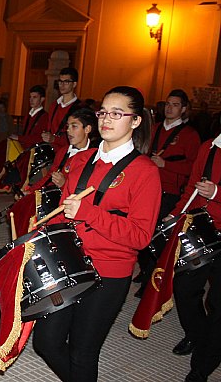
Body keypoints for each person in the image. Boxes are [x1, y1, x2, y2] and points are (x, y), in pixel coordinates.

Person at [32, 86, 161, 382]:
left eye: (117, 114)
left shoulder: (145, 171)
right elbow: (63, 215)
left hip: (108, 274)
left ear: (136, 120)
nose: (106, 119)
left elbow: (141, 236)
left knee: (82, 352)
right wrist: (40, 240)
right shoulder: (80, 160)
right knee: (46, 343)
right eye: (104, 112)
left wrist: (88, 213)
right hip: (69, 265)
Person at [134, 89, 200, 297]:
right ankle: (145, 269)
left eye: (175, 105)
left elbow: (193, 168)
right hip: (146, 188)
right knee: (140, 232)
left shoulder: (190, 135)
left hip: (169, 192)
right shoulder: (153, 128)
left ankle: (149, 282)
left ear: (184, 108)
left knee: (157, 237)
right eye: (168, 104)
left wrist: (165, 165)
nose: (170, 108)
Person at [169, 133, 221, 381]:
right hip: (203, 230)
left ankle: (201, 368)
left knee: (218, 302)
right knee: (184, 288)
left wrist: (217, 192)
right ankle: (201, 336)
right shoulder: (209, 147)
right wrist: (177, 214)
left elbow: (210, 190)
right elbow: (191, 188)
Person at [27, 107, 100, 193]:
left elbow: (88, 192)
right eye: (68, 126)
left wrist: (64, 184)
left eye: (74, 126)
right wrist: (30, 192)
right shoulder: (63, 151)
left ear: (87, 129)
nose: (68, 130)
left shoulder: (94, 157)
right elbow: (49, 177)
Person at [42, 67, 82, 148]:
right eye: (60, 81)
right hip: (51, 151)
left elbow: (79, 137)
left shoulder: (80, 108)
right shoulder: (54, 105)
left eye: (66, 82)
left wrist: (55, 139)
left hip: (68, 151)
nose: (62, 85)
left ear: (74, 84)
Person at [10, 85, 49, 149]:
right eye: (30, 97)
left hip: (34, 151)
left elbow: (39, 138)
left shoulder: (45, 117)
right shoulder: (28, 115)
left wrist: (19, 138)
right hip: (25, 150)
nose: (31, 100)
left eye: (34, 97)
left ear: (42, 99)